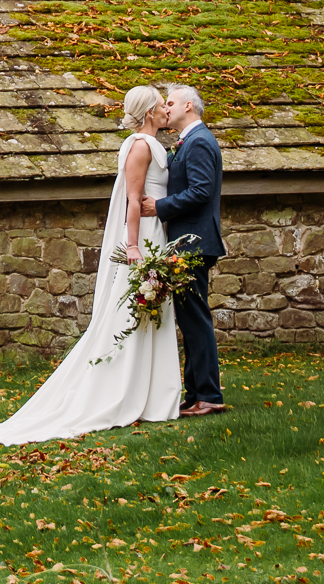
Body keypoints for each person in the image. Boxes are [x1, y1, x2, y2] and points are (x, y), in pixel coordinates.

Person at [0, 85, 184, 448]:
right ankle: (122, 391)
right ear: (149, 112)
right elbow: (133, 201)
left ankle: (153, 395)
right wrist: (132, 246)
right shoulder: (139, 145)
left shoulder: (154, 145)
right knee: (134, 310)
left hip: (157, 233)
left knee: (152, 310)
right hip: (143, 237)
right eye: (161, 105)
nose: (167, 109)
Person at [143, 83, 229, 416]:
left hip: (194, 243)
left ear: (188, 107)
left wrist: (160, 206)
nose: (166, 108)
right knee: (190, 318)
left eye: (171, 102)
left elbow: (201, 192)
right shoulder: (190, 141)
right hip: (188, 242)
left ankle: (209, 395)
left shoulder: (199, 142)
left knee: (195, 319)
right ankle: (196, 393)